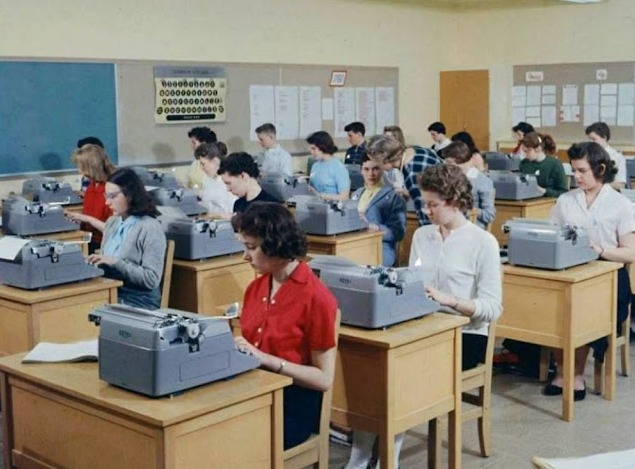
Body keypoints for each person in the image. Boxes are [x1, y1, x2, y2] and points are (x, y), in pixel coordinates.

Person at [345, 164, 502, 469]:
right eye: (424, 203)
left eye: (432, 204)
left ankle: (388, 460)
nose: (426, 210)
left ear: (455, 202)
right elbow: (413, 281)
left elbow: (492, 308)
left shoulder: (484, 242)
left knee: (400, 373)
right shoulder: (423, 235)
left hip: (465, 336)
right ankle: (359, 457)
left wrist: (451, 301)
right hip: (424, 329)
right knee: (373, 368)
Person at [232, 203, 337, 449]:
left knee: (230, 441)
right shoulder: (255, 288)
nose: (244, 256)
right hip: (256, 392)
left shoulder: (316, 297)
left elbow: (324, 379)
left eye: (251, 247)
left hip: (292, 404)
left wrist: (267, 360)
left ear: (275, 245)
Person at [545, 142, 635, 401]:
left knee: (580, 310)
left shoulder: (620, 205)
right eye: (573, 171)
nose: (577, 177)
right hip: (571, 274)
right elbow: (552, 235)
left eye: (582, 171)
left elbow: (630, 253)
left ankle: (574, 376)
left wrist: (600, 249)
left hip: (608, 278)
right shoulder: (565, 200)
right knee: (554, 306)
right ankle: (562, 371)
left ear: (601, 169)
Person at [87, 167, 167, 310]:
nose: (107, 203)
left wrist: (116, 262)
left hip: (138, 300)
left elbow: (151, 279)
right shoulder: (112, 222)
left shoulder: (150, 227)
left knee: (83, 311)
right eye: (106, 196)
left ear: (129, 195)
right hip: (111, 292)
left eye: (113, 196)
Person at [366, 134, 442, 226]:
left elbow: (426, 216)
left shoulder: (413, 175)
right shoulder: (415, 150)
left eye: (376, 162)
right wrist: (409, 193)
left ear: (385, 159)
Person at [351, 154, 406, 267]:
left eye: (375, 169)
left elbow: (398, 233)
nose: (371, 174)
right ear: (361, 171)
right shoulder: (356, 193)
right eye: (366, 169)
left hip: (381, 247)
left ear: (382, 170)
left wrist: (373, 226)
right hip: (354, 244)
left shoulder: (393, 196)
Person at [66, 144, 116, 253]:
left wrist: (87, 219)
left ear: (92, 166)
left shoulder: (112, 189)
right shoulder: (91, 186)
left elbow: (114, 231)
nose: (79, 171)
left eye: (81, 167)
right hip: (89, 239)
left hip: (105, 244)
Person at [443, 141, 496, 228]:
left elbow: (489, 215)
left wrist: (468, 210)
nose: (448, 168)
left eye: (450, 164)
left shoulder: (483, 181)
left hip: (471, 228)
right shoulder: (447, 178)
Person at [519, 132, 568, 197]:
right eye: (523, 151)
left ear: (538, 149)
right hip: (528, 201)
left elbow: (563, 192)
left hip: (548, 203)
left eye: (527, 151)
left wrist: (544, 191)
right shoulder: (524, 163)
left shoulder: (555, 164)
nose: (524, 154)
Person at [195, 142, 236, 219]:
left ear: (214, 161)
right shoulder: (208, 178)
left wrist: (211, 216)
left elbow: (232, 214)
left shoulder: (227, 181)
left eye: (203, 164)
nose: (201, 168)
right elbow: (207, 201)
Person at [307, 131, 350, 201]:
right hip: (315, 204)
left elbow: (344, 197)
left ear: (322, 147)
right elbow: (312, 188)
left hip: (332, 207)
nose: (311, 152)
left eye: (313, 149)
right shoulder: (315, 166)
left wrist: (323, 196)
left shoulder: (339, 168)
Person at [585, 122, 627, 190]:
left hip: (609, 194)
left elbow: (620, 185)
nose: (590, 142)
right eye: (589, 139)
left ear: (604, 137)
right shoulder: (587, 156)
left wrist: (600, 186)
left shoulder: (617, 157)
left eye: (593, 139)